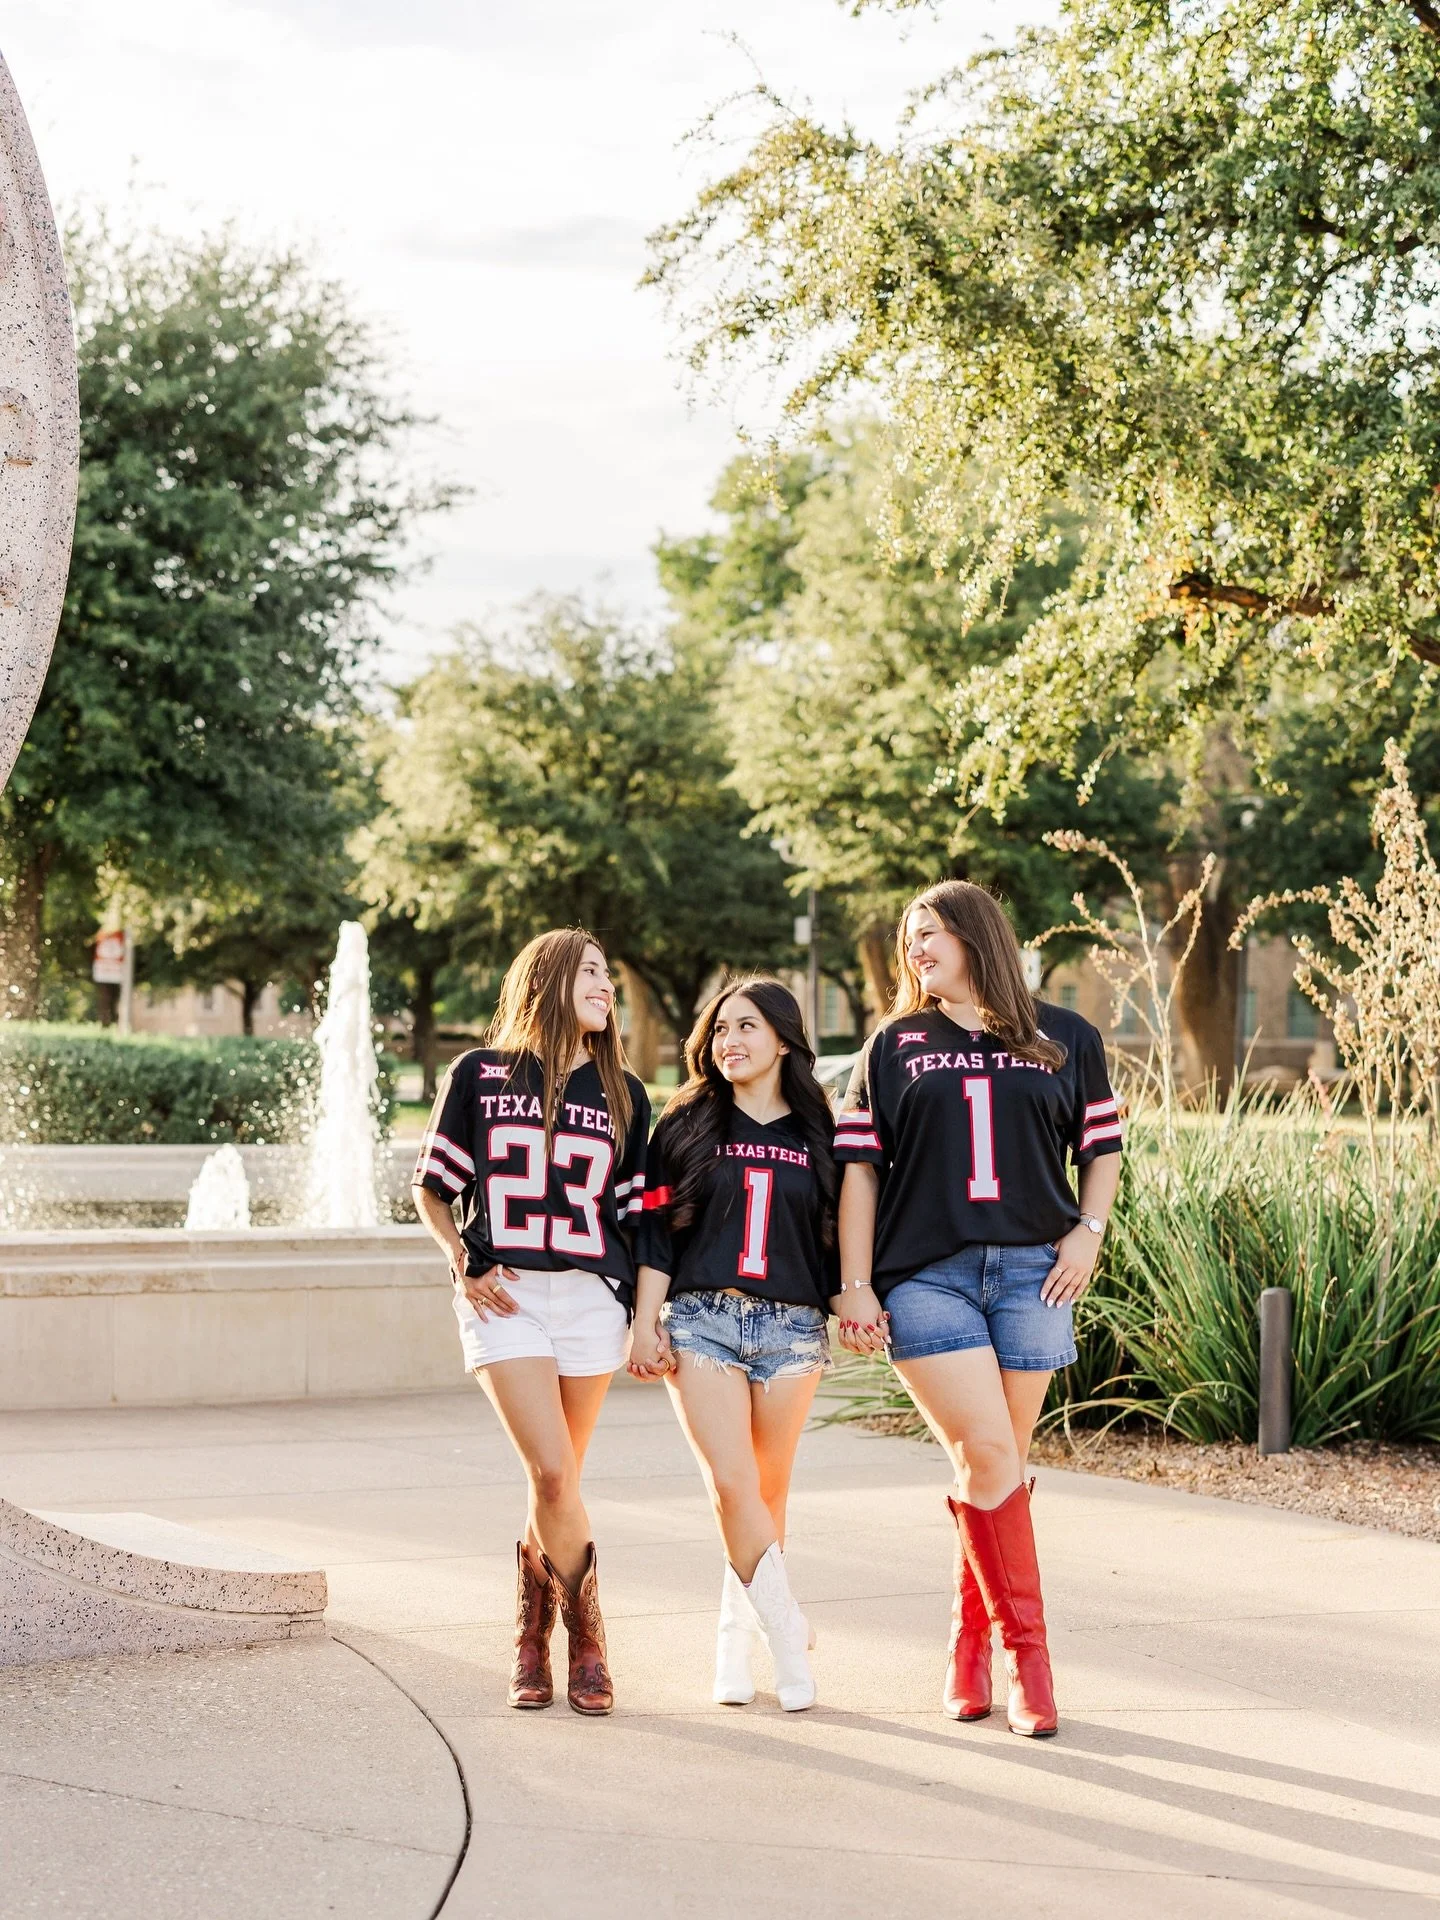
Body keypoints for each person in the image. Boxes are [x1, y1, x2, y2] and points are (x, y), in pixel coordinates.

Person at [833, 881, 1123, 1738]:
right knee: (991, 1455)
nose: (915, 949)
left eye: (930, 932)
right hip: (928, 1276)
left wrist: (1088, 1235)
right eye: (909, 937)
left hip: (1037, 1272)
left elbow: (1102, 1149)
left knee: (992, 1469)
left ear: (975, 934)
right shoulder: (893, 1044)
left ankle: (969, 1642)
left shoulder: (1065, 1036)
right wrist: (856, 1283)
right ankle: (1029, 1658)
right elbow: (860, 1175)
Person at [411, 928, 650, 1717]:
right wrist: (461, 1258)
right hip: (505, 1297)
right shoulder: (480, 1074)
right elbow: (432, 1187)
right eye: (591, 972)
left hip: (591, 1300)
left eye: (609, 975)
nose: (606, 986)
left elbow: (639, 1216)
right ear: (546, 981)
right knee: (552, 1473)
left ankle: (528, 1634)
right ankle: (586, 1641)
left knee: (559, 1483)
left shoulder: (624, 1092)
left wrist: (646, 1312)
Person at [628, 978, 838, 1711]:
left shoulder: (821, 1133)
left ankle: (731, 1641)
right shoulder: (685, 1124)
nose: (730, 1041)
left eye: (746, 1026)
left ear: (784, 1039)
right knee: (731, 1485)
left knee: (764, 1495)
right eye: (720, 1029)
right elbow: (654, 1233)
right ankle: (787, 1637)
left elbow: (835, 1240)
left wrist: (854, 1305)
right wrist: (644, 1322)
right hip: (702, 1321)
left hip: (793, 1329)